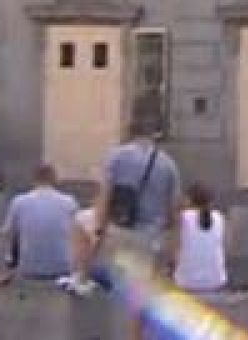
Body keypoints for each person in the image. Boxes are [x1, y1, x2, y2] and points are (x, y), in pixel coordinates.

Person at [94, 112, 181, 340]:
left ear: (130, 132)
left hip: (121, 231)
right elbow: (174, 212)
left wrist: (99, 229)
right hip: (151, 236)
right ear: (155, 134)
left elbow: (105, 195)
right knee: (141, 294)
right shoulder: (168, 164)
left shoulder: (117, 157)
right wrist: (173, 248)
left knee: (122, 292)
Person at [2, 164, 79, 282]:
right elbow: (77, 234)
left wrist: (10, 259)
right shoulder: (69, 202)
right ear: (55, 179)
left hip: (29, 266)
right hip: (62, 266)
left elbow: (8, 232)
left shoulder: (19, 201)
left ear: (34, 179)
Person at [169, 182, 243, 296]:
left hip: (186, 281)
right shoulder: (219, 217)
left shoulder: (183, 217)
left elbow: (174, 252)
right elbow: (226, 248)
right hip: (217, 280)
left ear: (189, 199)